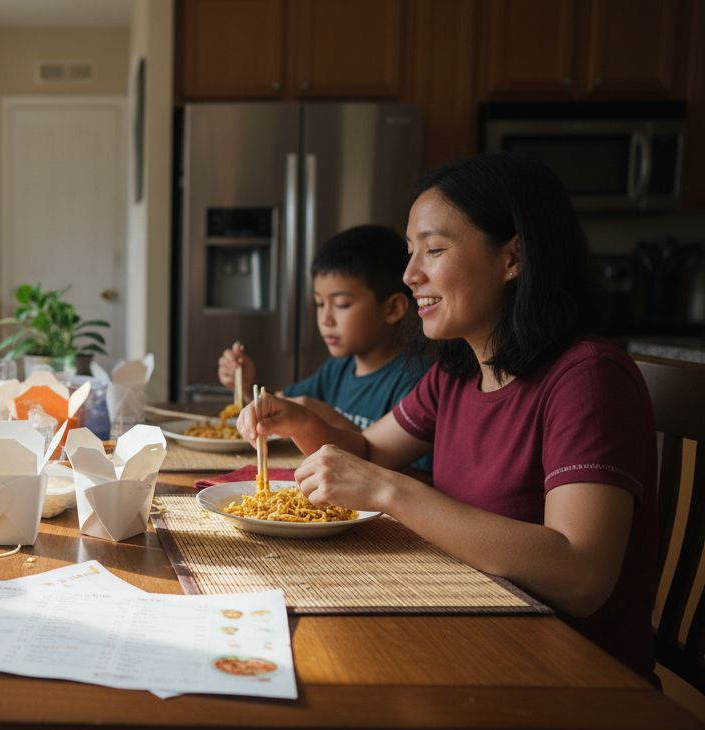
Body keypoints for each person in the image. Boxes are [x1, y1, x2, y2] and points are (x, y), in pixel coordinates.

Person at [239, 153, 658, 681]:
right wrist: (299, 420)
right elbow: (367, 453)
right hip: (469, 630)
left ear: (512, 258)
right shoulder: (457, 372)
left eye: (434, 250)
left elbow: (581, 574)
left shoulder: (587, 378)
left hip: (566, 674)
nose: (410, 274)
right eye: (411, 252)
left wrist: (390, 491)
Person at [219, 225, 425, 435]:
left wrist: (323, 420)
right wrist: (247, 385)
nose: (325, 319)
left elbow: (403, 467)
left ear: (393, 309)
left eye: (342, 304)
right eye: (319, 303)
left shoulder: (414, 384)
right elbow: (282, 406)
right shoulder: (338, 369)